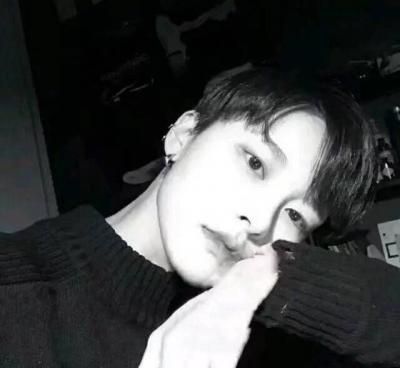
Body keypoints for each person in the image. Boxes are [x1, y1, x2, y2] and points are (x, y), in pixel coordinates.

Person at [0, 68, 375, 367]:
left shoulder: (250, 338)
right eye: (255, 163)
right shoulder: (15, 296)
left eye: (294, 215)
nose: (261, 222)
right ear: (182, 135)